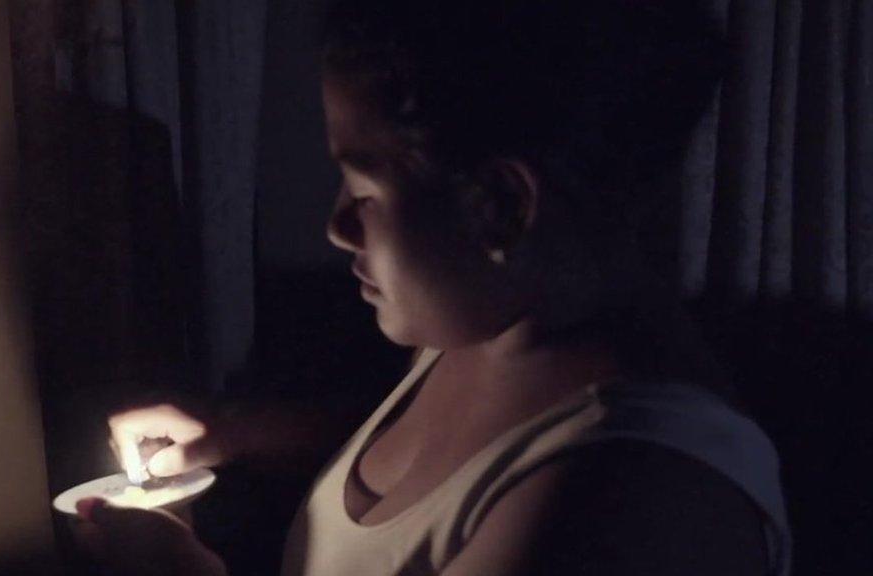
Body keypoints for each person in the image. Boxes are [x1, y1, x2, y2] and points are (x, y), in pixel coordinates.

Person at [74, 1, 791, 575]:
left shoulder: (629, 507)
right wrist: (236, 433)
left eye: (364, 187)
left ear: (501, 207)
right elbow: (434, 478)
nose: (336, 227)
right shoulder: (493, 332)